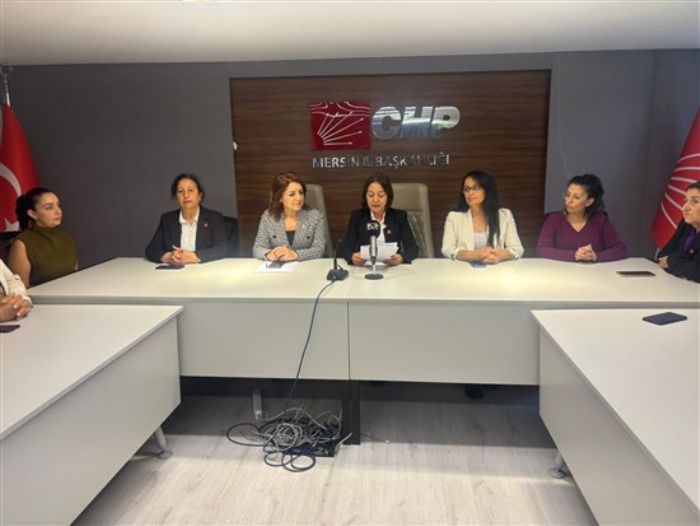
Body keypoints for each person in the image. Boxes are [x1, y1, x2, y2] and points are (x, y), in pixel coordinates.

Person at [536, 174, 627, 262]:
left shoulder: (600, 220)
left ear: (589, 202)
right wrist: (574, 255)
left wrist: (595, 256)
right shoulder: (554, 219)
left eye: (576, 197)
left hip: (594, 271)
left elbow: (620, 249)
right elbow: (542, 249)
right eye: (567, 195)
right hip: (561, 271)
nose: (569, 201)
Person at [441, 170, 524, 263]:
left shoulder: (505, 215)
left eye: (475, 188)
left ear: (487, 190)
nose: (470, 193)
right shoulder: (454, 217)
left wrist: (498, 255)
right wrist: (475, 255)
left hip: (496, 268)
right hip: (463, 269)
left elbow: (517, 249)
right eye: (466, 189)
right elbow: (447, 249)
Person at [145, 173, 228, 265]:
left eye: (190, 190)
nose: (186, 195)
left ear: (199, 195)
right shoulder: (167, 219)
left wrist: (195, 256)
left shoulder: (214, 218)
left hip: (204, 270)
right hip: (176, 270)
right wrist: (169, 257)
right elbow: (151, 250)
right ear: (176, 197)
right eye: (180, 191)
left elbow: (222, 248)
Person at [341, 174, 419, 266]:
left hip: (392, 269)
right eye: (371, 195)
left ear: (388, 197)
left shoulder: (399, 217)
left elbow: (413, 249)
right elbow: (346, 249)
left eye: (381, 195)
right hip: (366, 268)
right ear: (365, 197)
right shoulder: (357, 217)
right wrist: (353, 258)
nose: (375, 200)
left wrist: (401, 258)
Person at [9, 187, 78, 287]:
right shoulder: (22, 244)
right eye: (49, 207)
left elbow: (75, 278)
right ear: (33, 214)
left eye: (58, 205)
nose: (58, 212)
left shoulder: (67, 238)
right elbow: (20, 290)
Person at [252, 172, 326, 261]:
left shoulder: (315, 217)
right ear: (280, 198)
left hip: (306, 267)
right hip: (279, 267)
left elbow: (319, 249)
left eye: (301, 193)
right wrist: (269, 254)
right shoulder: (268, 217)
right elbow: (258, 248)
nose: (299, 198)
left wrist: (296, 255)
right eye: (292, 194)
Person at [657, 181, 700, 282]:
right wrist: (682, 262)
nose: (685, 207)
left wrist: (672, 260)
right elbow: (662, 256)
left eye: (695, 201)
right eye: (685, 201)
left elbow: (697, 273)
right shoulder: (686, 224)